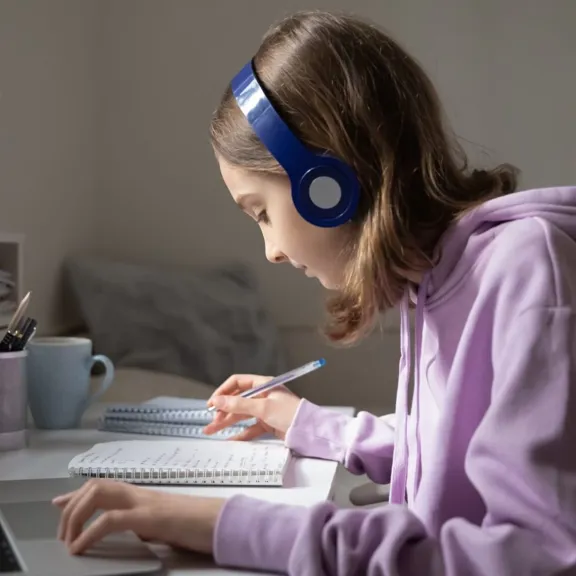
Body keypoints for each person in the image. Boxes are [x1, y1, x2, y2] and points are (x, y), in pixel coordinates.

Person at [53, 9, 576, 575]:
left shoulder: (526, 269)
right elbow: (451, 446)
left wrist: (222, 523)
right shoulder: (435, 280)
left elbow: (535, 557)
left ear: (327, 187)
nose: (271, 252)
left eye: (261, 213)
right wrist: (304, 422)